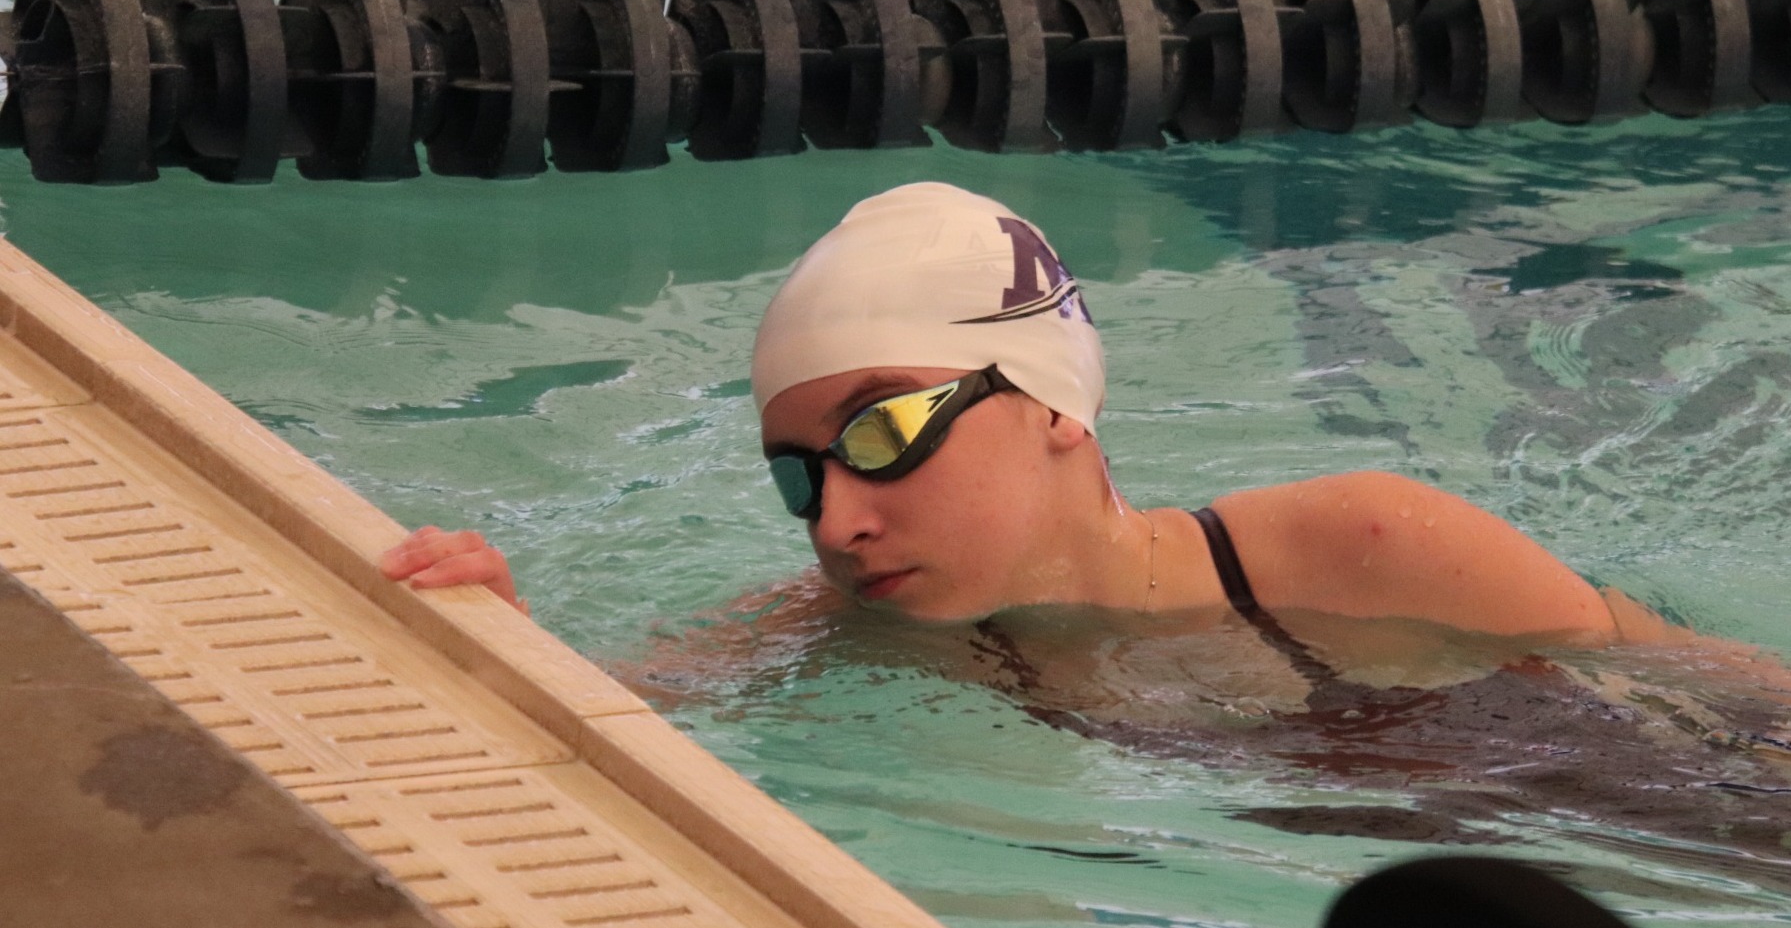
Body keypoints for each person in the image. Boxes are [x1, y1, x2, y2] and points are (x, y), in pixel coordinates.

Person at [382, 181, 1624, 641]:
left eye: (881, 432)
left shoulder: (1366, 545)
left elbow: (1748, 731)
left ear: (1051, 405)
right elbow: (610, 727)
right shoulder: (847, 627)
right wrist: (493, 635)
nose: (834, 524)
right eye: (799, 472)